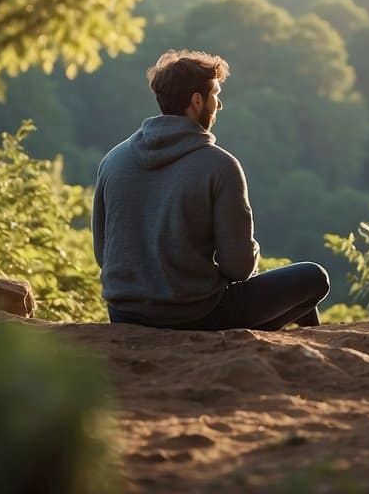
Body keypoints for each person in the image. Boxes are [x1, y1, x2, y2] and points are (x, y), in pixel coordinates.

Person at [92, 49, 329, 330]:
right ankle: (310, 349)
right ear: (196, 100)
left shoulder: (113, 160)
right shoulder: (220, 165)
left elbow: (102, 254)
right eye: (215, 94)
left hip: (124, 314)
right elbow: (238, 268)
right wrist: (249, 252)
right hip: (195, 315)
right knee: (313, 277)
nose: (219, 106)